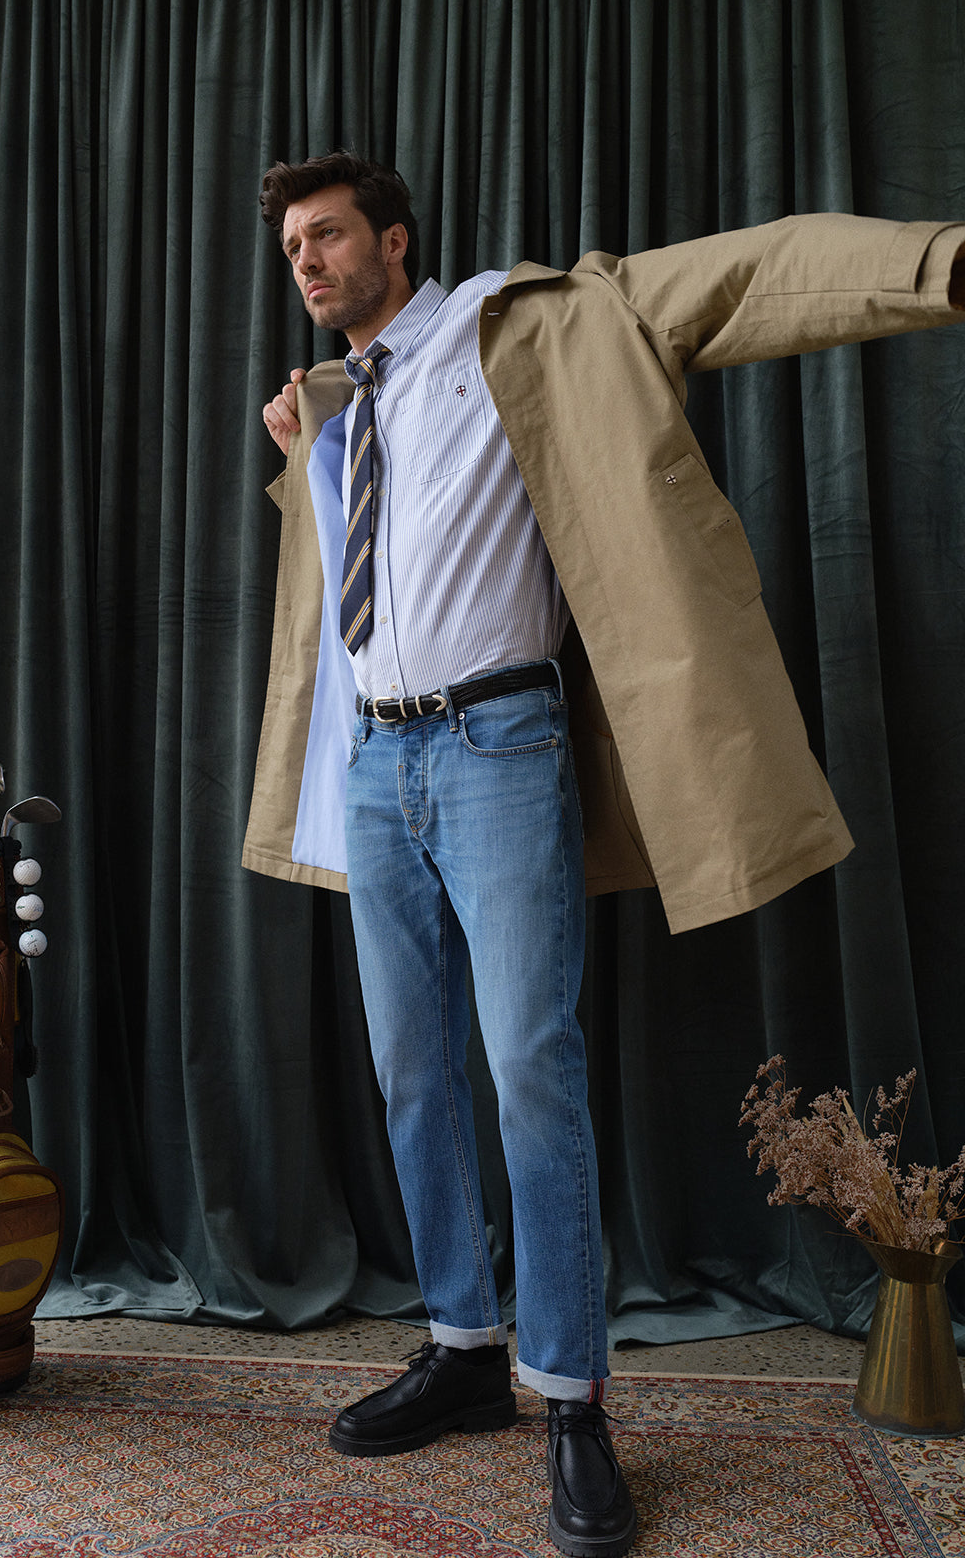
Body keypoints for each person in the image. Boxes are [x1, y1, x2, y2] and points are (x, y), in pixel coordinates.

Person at [245, 150, 965, 1558]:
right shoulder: (339, 399)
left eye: (328, 236)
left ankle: (571, 1398)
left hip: (501, 747)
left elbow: (741, 276)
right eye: (294, 250)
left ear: (397, 239)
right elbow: (364, 569)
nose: (309, 263)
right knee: (409, 1071)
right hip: (375, 762)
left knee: (531, 1068)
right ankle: (464, 1348)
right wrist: (302, 448)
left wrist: (937, 264)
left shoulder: (525, 320)